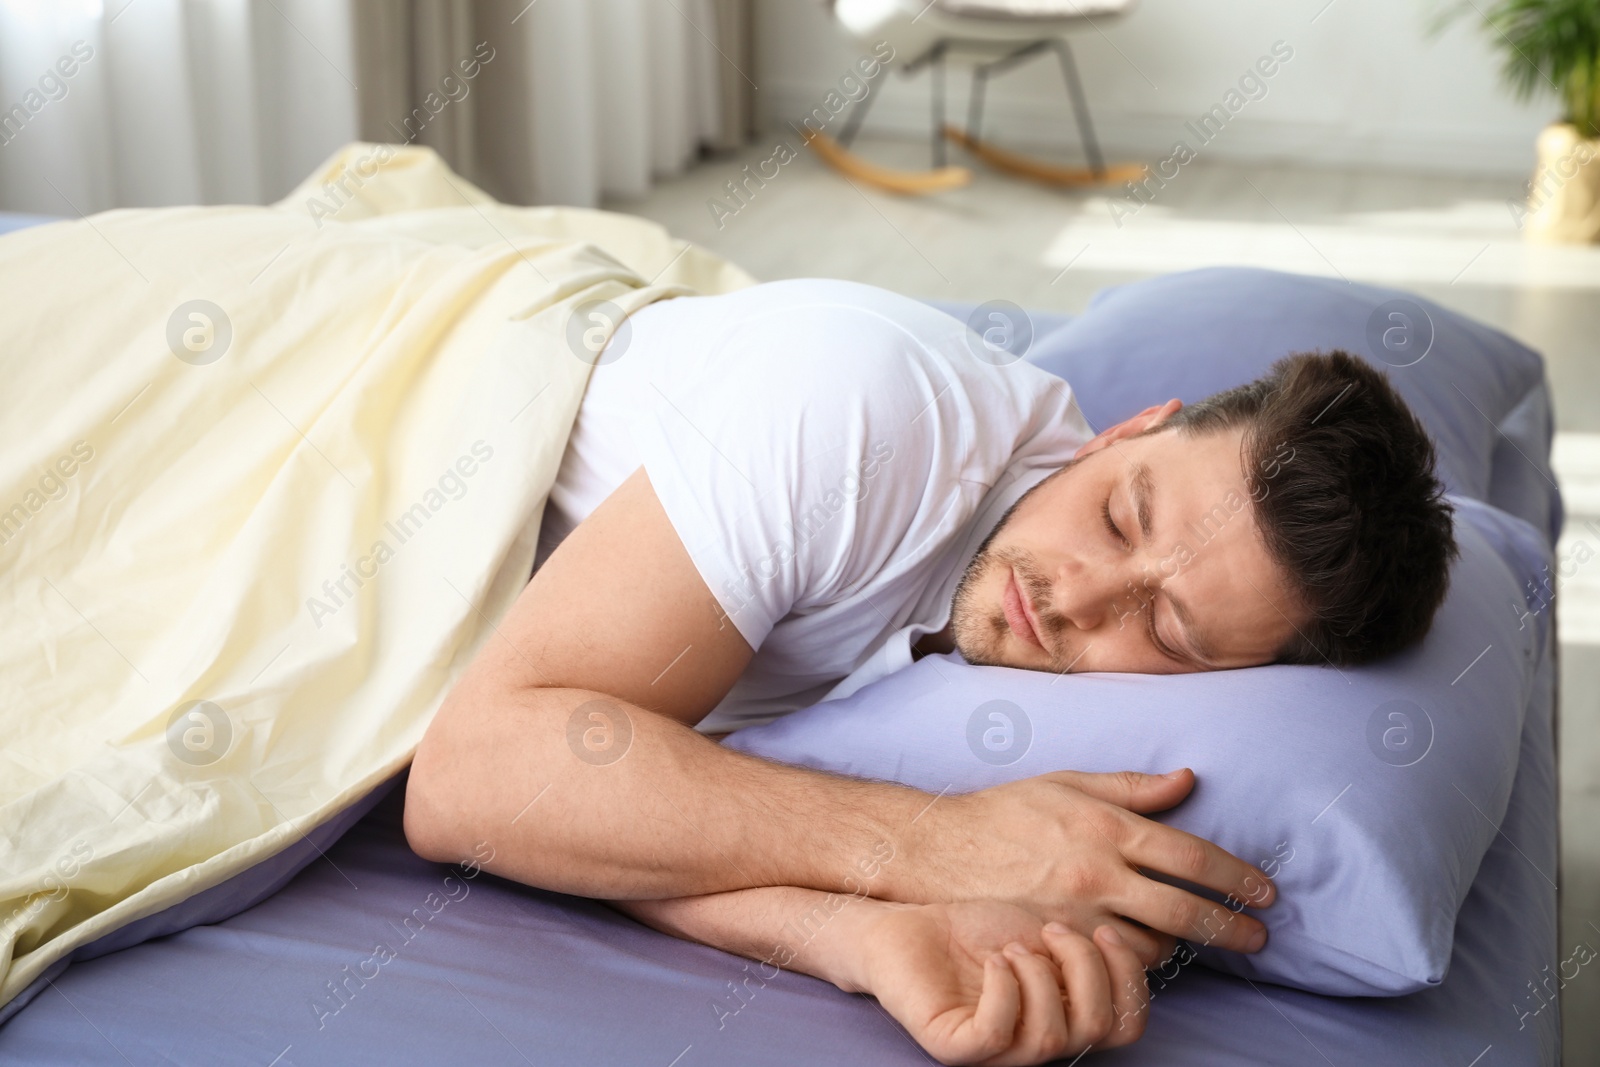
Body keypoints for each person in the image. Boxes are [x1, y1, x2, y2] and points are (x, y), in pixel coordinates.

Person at [404, 278, 1456, 1065]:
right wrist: (934, 845)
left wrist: (861, 934)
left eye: (1168, 632)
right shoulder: (858, 419)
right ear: (1130, 428)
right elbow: (475, 777)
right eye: (1121, 514)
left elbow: (642, 814)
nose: (1076, 596)